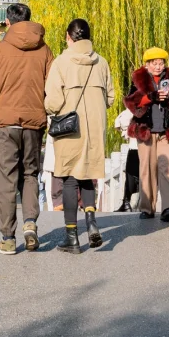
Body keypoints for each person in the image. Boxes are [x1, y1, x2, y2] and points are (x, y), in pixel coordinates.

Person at [0, 1, 54, 254]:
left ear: (8, 22)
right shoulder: (45, 51)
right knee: (30, 175)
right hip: (33, 124)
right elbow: (52, 88)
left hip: (4, 125)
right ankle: (30, 223)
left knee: (5, 182)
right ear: (30, 20)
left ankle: (8, 238)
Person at [44, 18, 116, 253]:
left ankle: (72, 237)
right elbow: (111, 99)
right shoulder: (102, 62)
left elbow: (53, 103)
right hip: (95, 128)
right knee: (88, 177)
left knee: (69, 179)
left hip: (69, 128)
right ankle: (93, 224)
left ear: (68, 36)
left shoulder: (61, 63)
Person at [124, 47, 169, 222]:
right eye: (154, 63)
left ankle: (168, 207)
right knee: (147, 169)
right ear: (147, 64)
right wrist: (149, 97)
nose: (158, 67)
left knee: (165, 167)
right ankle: (147, 208)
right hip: (145, 130)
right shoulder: (138, 79)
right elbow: (131, 102)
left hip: (166, 131)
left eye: (161, 63)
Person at [113, 108, 140, 212]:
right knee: (131, 172)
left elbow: (122, 120)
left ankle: (127, 202)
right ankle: (126, 202)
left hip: (138, 143)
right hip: (140, 141)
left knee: (131, 172)